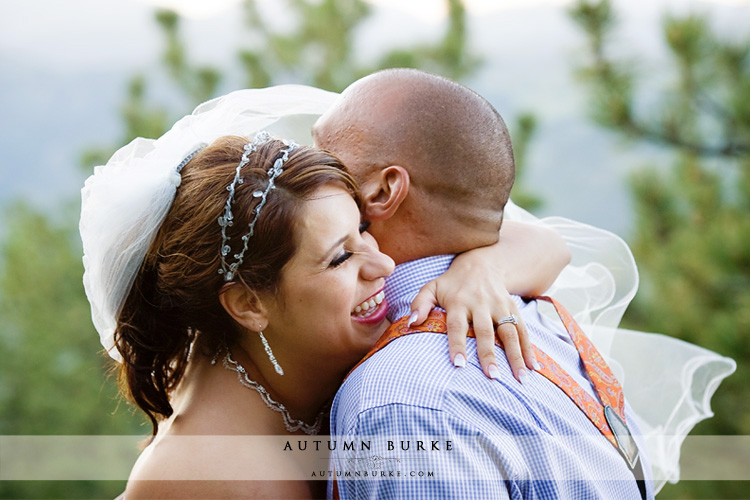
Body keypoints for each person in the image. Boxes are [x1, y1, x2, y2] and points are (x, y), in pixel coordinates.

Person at [80, 89, 570, 499]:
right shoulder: (201, 474)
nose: (382, 265)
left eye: (363, 227)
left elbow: (550, 244)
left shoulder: (305, 323)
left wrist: (481, 268)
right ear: (249, 304)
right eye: (340, 258)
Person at [313, 69, 736, 498]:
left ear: (385, 191)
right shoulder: (540, 317)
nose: (304, 168)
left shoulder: (404, 400)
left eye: (323, 155)